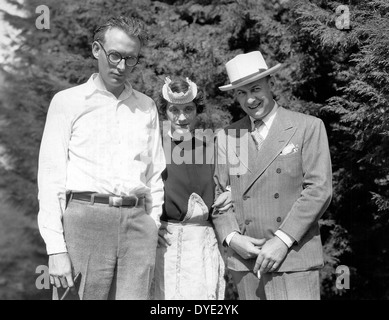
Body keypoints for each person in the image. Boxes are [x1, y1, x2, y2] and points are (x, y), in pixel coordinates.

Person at [37, 16, 165, 300]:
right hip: (85, 224)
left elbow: (155, 174)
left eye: (131, 59)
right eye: (115, 55)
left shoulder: (146, 107)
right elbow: (50, 178)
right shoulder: (67, 102)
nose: (121, 66)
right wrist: (55, 248)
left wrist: (152, 223)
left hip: (137, 227)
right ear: (97, 50)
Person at [212, 50, 332, 300]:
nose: (250, 100)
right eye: (241, 93)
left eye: (255, 89)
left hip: (293, 259)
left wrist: (282, 240)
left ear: (271, 83)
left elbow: (318, 190)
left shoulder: (307, 127)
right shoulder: (226, 136)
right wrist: (233, 238)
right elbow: (218, 194)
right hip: (246, 263)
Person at [152, 77, 230, 300]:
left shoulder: (212, 148)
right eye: (174, 110)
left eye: (188, 109)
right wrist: (148, 224)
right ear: (164, 112)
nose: (182, 117)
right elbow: (137, 192)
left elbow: (235, 187)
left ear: (197, 111)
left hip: (203, 245)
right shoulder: (154, 148)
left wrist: (231, 194)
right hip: (165, 246)